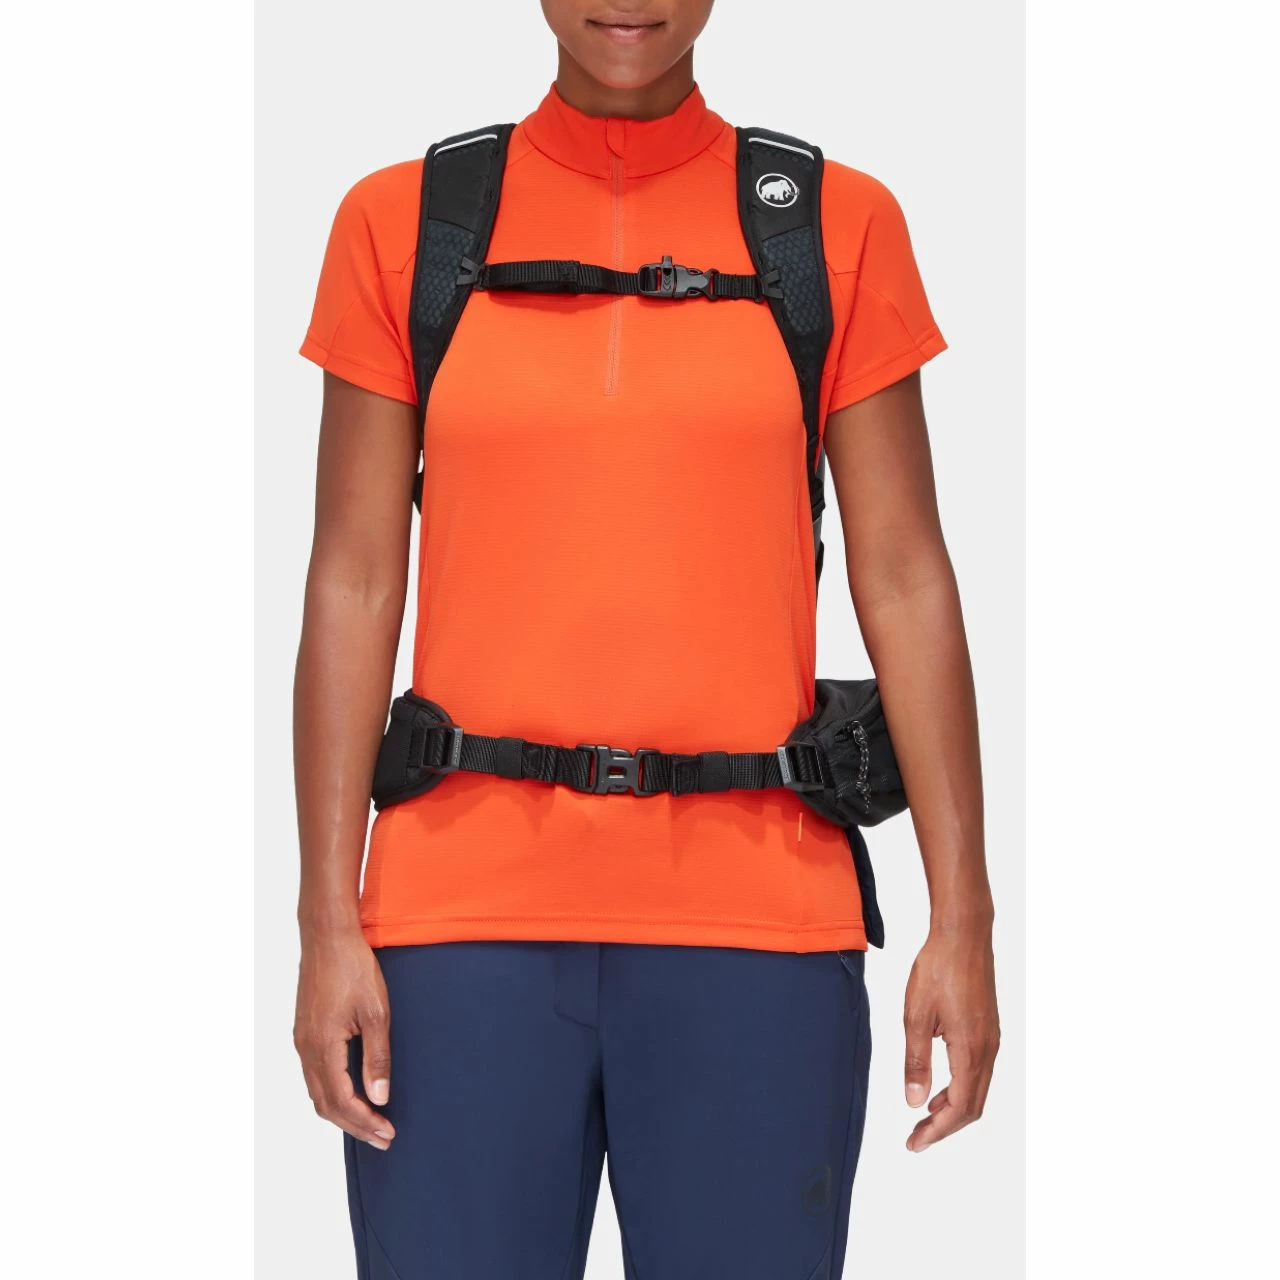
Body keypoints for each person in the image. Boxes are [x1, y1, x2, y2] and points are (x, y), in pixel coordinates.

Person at [293, 2, 999, 1276]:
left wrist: (965, 918)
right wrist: (323, 921)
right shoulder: (403, 226)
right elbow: (351, 580)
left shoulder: (832, 227)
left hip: (759, 933)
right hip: (456, 940)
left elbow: (904, 577)